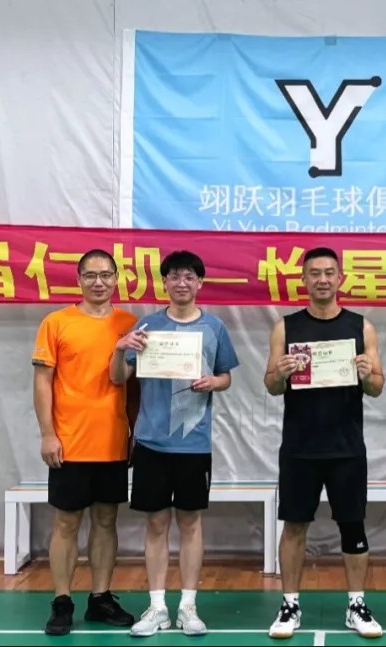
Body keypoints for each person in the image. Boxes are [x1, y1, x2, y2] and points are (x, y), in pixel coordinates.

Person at [110, 250, 240, 637]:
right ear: (164, 282)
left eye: (189, 277)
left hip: (193, 443)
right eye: (174, 277)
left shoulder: (214, 327)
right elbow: (118, 378)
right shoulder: (147, 325)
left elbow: (226, 377)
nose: (182, 283)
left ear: (200, 283)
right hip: (151, 442)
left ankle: (188, 607)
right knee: (155, 523)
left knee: (191, 523)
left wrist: (213, 382)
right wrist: (120, 348)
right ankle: (156, 607)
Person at [262, 246, 386, 639]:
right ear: (303, 279)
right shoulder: (286, 328)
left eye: (329, 272)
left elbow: (378, 387)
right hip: (299, 447)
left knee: (353, 525)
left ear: (340, 278)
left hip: (346, 447)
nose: (322, 279)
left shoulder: (362, 327)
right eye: (314, 273)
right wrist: (281, 373)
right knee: (294, 526)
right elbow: (271, 385)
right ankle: (290, 604)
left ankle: (356, 604)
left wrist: (367, 374)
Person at [31, 249, 138, 636]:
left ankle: (100, 597)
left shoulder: (129, 324)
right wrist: (48, 433)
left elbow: (135, 386)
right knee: (66, 522)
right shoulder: (56, 322)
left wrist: (134, 433)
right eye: (90, 275)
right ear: (78, 279)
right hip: (69, 442)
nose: (98, 282)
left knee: (106, 520)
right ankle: (62, 601)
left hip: (112, 441)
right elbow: (42, 382)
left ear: (116, 279)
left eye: (106, 275)